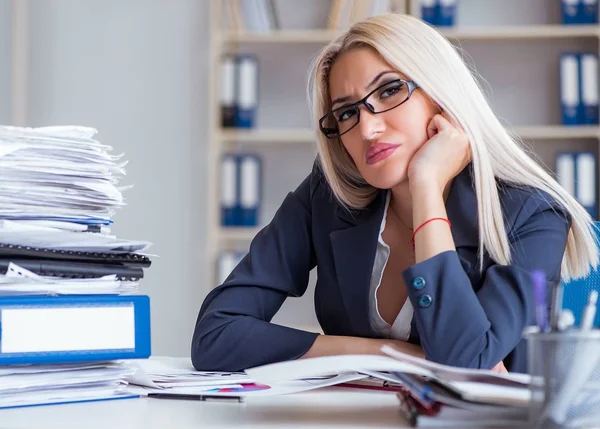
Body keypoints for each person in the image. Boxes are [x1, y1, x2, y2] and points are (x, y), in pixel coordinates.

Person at [192, 13, 598, 373]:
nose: (367, 129)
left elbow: (465, 362)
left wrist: (426, 188)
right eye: (347, 112)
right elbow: (216, 334)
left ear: (442, 95)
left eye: (388, 91)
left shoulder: (534, 214)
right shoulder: (328, 196)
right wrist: (383, 352)